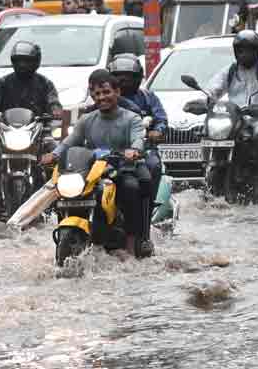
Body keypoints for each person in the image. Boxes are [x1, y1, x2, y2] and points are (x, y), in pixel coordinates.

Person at [42, 69, 152, 257]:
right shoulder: (86, 120)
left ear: (117, 92)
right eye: (96, 94)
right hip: (93, 172)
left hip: (122, 169)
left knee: (132, 187)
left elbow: (138, 140)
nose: (101, 97)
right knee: (65, 191)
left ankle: (134, 242)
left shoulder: (131, 118)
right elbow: (70, 142)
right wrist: (54, 154)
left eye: (106, 92)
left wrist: (133, 151)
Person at [0, 40, 64, 219]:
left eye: (27, 61)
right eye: (19, 61)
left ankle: (53, 201)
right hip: (7, 133)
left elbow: (53, 101)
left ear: (36, 62)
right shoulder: (3, 83)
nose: (22, 65)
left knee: (55, 153)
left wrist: (55, 110)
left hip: (38, 133)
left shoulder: (44, 83)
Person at [204, 29, 258, 177]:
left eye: (249, 51)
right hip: (235, 119)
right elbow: (214, 87)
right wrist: (207, 99)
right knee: (208, 131)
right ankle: (209, 164)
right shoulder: (230, 71)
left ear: (257, 51)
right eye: (241, 50)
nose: (244, 54)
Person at [108, 52, 166, 215]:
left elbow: (160, 118)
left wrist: (156, 131)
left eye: (128, 76)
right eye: (118, 76)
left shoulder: (147, 97)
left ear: (138, 77)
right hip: (109, 147)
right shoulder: (103, 97)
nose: (123, 80)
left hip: (141, 148)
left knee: (153, 166)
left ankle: (147, 208)